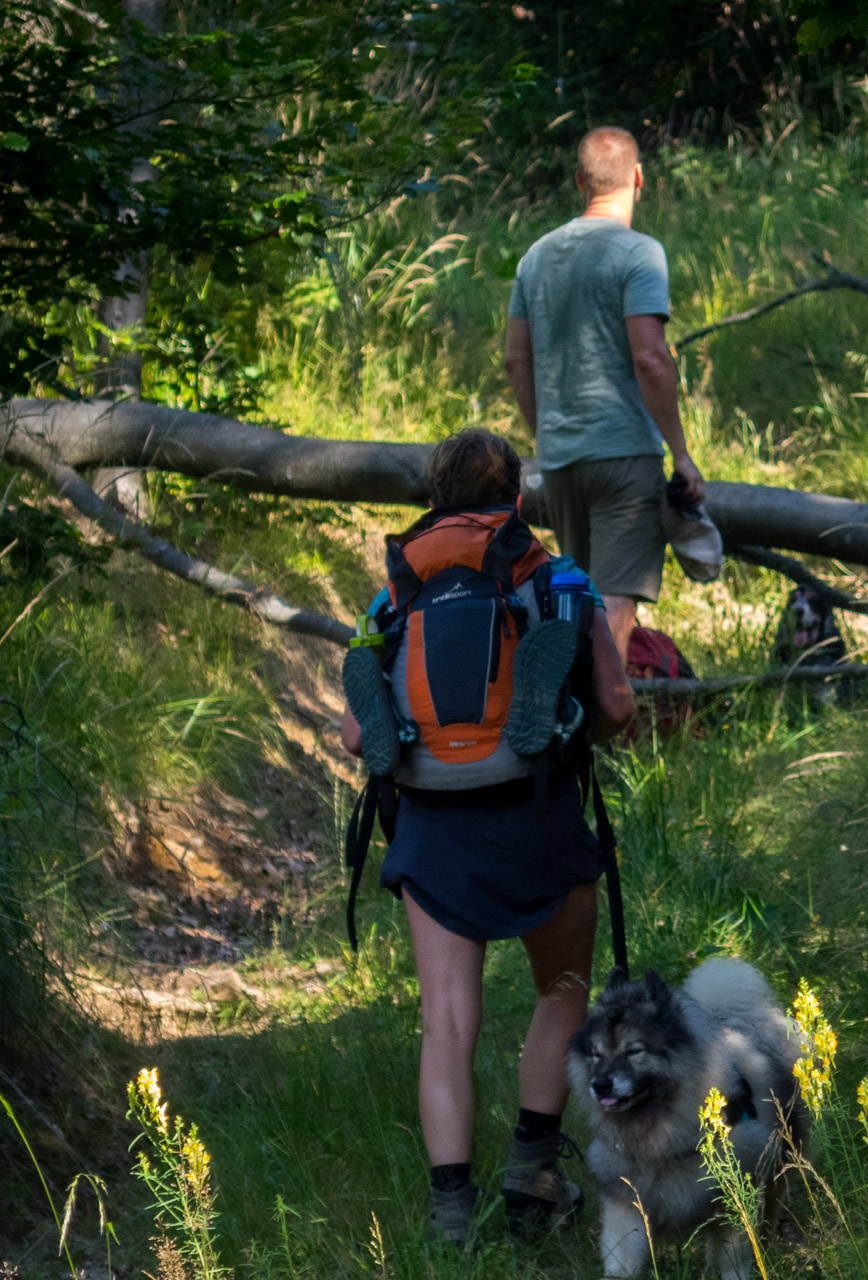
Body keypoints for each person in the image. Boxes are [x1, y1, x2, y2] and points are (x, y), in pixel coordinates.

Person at [340, 430, 636, 1245]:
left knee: (447, 1022)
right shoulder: (555, 577)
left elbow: (348, 734)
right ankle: (533, 1172)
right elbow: (615, 709)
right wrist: (565, 719)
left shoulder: (395, 593)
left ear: (432, 502)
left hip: (433, 826)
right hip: (534, 809)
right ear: (515, 499)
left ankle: (449, 1214)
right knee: (561, 987)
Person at [504, 125, 705, 659]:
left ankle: (567, 722)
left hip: (561, 458)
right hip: (623, 453)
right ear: (639, 179)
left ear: (580, 181)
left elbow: (514, 360)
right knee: (615, 602)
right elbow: (650, 357)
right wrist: (682, 455)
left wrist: (545, 432)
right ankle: (601, 734)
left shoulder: (535, 258)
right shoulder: (640, 253)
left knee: (579, 598)